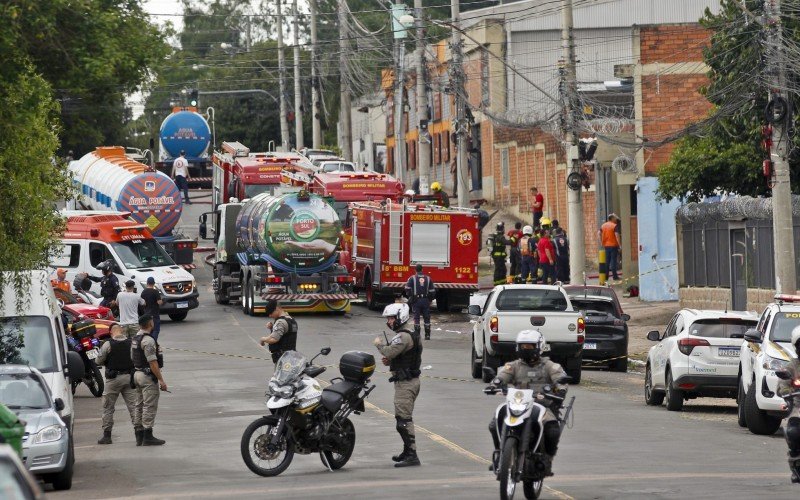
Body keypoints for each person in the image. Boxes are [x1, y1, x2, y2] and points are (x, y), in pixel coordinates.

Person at [487, 330, 567, 473]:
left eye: (529, 346)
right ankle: (501, 454)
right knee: (494, 424)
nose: (525, 349)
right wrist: (495, 385)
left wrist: (559, 390)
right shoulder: (513, 365)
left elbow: (560, 379)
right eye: (522, 346)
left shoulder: (550, 365)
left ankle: (547, 458)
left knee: (552, 430)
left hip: (541, 405)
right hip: (517, 403)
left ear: (539, 346)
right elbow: (502, 376)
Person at [374, 302, 422, 468]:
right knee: (402, 418)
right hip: (407, 381)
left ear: (401, 317)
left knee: (403, 420)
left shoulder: (403, 336)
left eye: (391, 318)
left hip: (406, 384)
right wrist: (391, 361)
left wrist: (379, 344)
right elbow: (401, 356)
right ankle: (407, 451)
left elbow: (390, 351)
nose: (389, 322)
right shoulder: (410, 333)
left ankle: (412, 454)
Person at [96, 323, 142, 445]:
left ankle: (107, 436)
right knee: (134, 407)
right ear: (122, 332)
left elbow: (98, 360)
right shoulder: (131, 343)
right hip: (129, 378)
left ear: (111, 332)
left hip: (113, 379)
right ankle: (139, 435)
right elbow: (137, 359)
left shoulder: (107, 344)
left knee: (108, 407)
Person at [131, 314, 167, 446]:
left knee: (139, 405)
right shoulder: (148, 341)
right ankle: (148, 434)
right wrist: (161, 380)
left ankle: (139, 434)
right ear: (150, 323)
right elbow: (152, 362)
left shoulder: (135, 338)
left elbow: (132, 357)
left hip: (137, 374)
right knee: (149, 405)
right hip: (146, 376)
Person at [777, 327, 800, 483]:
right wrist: (786, 391)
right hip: (798, 406)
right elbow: (782, 385)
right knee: (793, 431)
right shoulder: (792, 366)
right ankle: (796, 464)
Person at [259, 300, 298, 364]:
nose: (270, 316)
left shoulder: (280, 322)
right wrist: (272, 327)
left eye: (271, 313)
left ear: (276, 309)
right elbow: (286, 334)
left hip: (282, 359)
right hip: (291, 356)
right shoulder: (291, 319)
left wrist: (263, 339)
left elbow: (274, 339)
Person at [405, 264, 435, 340]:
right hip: (425, 300)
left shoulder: (412, 278)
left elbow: (407, 288)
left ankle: (417, 336)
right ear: (422, 269)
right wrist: (430, 300)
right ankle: (427, 335)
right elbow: (432, 291)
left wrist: (411, 296)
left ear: (415, 270)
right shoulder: (428, 278)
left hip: (416, 300)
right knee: (427, 317)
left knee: (416, 317)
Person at [599, 214, 621, 281]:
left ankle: (606, 277)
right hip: (613, 246)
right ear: (612, 218)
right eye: (614, 218)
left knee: (607, 261)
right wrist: (619, 245)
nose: (616, 219)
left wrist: (601, 242)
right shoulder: (614, 226)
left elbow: (598, 233)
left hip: (606, 246)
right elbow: (617, 235)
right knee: (613, 261)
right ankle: (615, 276)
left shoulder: (603, 225)